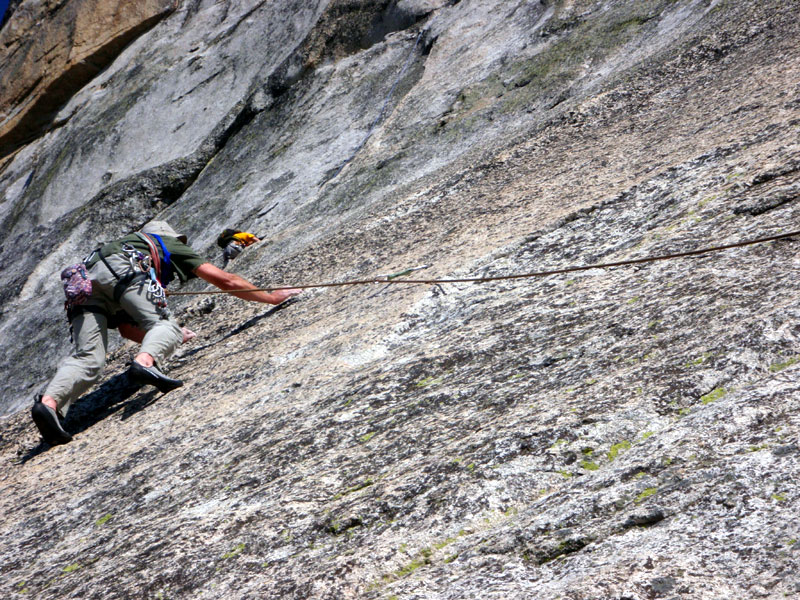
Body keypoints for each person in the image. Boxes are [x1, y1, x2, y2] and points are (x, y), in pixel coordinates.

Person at [31, 221, 300, 445]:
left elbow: (126, 328)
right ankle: (145, 364)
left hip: (83, 283)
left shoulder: (115, 249)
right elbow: (224, 280)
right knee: (167, 323)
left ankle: (49, 404)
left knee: (88, 357)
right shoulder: (164, 242)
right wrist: (270, 297)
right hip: (121, 270)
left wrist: (165, 340)